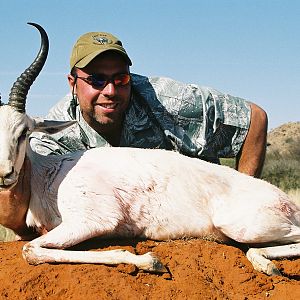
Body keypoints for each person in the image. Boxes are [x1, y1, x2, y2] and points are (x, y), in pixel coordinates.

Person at [30, 31, 268, 178]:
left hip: (199, 215)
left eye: (121, 79)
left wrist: (243, 198)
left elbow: (254, 118)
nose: (110, 91)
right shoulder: (54, 133)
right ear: (73, 83)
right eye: (97, 80)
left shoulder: (167, 100)